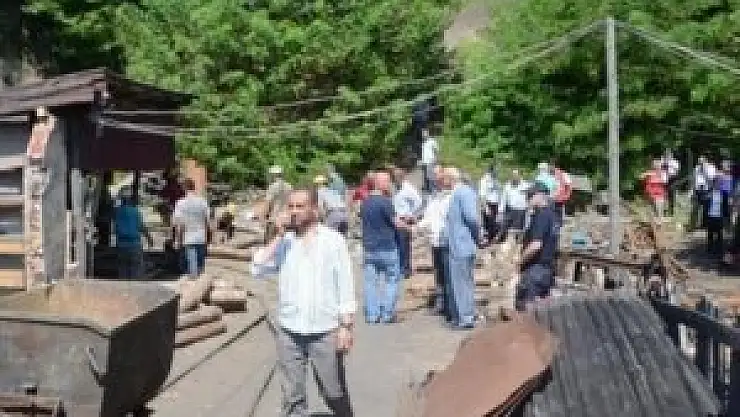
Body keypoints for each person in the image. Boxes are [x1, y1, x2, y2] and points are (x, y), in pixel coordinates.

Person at [251, 189, 355, 417]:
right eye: (291, 206)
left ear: (314, 209)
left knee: (333, 391)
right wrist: (278, 235)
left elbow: (345, 284)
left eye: (300, 206)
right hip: (290, 329)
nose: (294, 211)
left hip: (325, 329)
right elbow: (257, 268)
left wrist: (346, 326)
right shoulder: (286, 242)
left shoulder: (333, 241)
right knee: (292, 394)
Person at [361, 171, 401, 324]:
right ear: (380, 184)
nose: (390, 184)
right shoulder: (385, 202)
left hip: (369, 247)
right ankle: (386, 314)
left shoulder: (365, 202)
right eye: (388, 181)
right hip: (386, 246)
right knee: (391, 280)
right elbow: (396, 223)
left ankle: (372, 315)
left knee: (370, 283)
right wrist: (411, 227)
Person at [515, 182, 559, 312]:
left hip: (536, 270)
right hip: (547, 270)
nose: (527, 198)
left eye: (530, 195)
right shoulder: (553, 216)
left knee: (526, 311)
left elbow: (536, 245)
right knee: (542, 313)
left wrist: (519, 261)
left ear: (540, 195)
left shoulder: (541, 216)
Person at [445, 167, 480, 329]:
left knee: (462, 283)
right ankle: (465, 315)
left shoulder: (463, 192)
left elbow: (471, 218)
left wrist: (476, 236)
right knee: (462, 282)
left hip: (462, 244)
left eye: (445, 178)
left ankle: (466, 317)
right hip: (458, 244)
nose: (442, 181)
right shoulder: (458, 193)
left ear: (451, 178)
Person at [418, 167, 454, 321]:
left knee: (449, 275)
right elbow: (428, 218)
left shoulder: (452, 197)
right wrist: (416, 226)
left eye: (439, 177)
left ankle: (450, 306)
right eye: (435, 178)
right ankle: (441, 304)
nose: (436, 180)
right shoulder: (433, 197)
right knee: (439, 274)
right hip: (435, 241)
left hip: (448, 242)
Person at [173, 178, 210, 279]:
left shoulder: (180, 203)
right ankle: (200, 282)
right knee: (200, 268)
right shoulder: (202, 202)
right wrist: (209, 239)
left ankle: (193, 282)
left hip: (188, 238)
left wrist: (178, 241)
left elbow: (179, 224)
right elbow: (208, 222)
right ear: (193, 187)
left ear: (184, 188)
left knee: (192, 270)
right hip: (201, 238)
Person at [114, 186, 153, 279]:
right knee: (136, 272)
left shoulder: (117, 211)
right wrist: (149, 239)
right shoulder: (135, 211)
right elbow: (142, 227)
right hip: (134, 245)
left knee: (123, 271)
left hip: (121, 245)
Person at [392, 167, 422, 280]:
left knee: (404, 245)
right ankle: (400, 267)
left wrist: (410, 213)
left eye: (396, 178)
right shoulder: (397, 188)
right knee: (398, 244)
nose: (395, 180)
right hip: (396, 218)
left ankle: (405, 269)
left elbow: (418, 201)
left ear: (402, 177)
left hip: (404, 219)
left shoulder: (408, 188)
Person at [264, 165, 293, 243]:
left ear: (273, 175)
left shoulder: (272, 187)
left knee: (270, 241)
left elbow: (268, 202)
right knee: (284, 241)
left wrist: (265, 216)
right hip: (286, 217)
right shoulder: (289, 186)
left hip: (274, 217)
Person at [501, 169, 530, 243]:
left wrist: (530, 208)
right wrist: (501, 210)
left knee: (518, 229)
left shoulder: (526, 185)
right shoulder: (507, 185)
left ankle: (517, 243)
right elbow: (503, 198)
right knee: (507, 229)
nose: (514, 176)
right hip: (510, 209)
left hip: (521, 210)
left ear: (520, 175)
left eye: (516, 175)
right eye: (513, 175)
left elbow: (530, 197)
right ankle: (508, 243)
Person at [478, 165, 502, 244]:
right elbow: (482, 195)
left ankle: (491, 239)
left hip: (496, 204)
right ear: (491, 170)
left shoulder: (496, 180)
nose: (498, 172)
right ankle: (485, 240)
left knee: (493, 223)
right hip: (488, 203)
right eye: (496, 170)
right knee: (487, 223)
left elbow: (499, 193)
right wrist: (486, 207)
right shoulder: (484, 180)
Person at [705, 177, 727, 258]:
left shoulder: (724, 194)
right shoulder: (709, 192)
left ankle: (719, 250)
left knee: (719, 234)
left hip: (719, 216)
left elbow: (726, 206)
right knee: (710, 233)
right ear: (713, 184)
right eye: (716, 183)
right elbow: (703, 202)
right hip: (710, 216)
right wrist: (706, 198)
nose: (718, 185)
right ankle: (710, 249)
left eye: (720, 183)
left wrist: (726, 217)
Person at [660, 150, 680, 216]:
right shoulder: (663, 161)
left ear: (671, 155)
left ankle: (671, 210)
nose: (668, 155)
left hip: (672, 178)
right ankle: (664, 210)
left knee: (671, 195)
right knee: (664, 195)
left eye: (669, 154)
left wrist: (668, 165)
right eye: (666, 154)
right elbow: (660, 168)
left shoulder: (675, 162)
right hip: (664, 179)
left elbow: (677, 170)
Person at [420, 128, 438, 195]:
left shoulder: (432, 141)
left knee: (430, 176)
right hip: (424, 162)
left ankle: (432, 189)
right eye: (423, 134)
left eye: (425, 133)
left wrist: (435, 159)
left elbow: (436, 150)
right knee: (425, 176)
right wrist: (422, 161)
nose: (424, 135)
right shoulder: (423, 142)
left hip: (430, 161)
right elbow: (424, 152)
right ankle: (426, 189)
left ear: (428, 133)